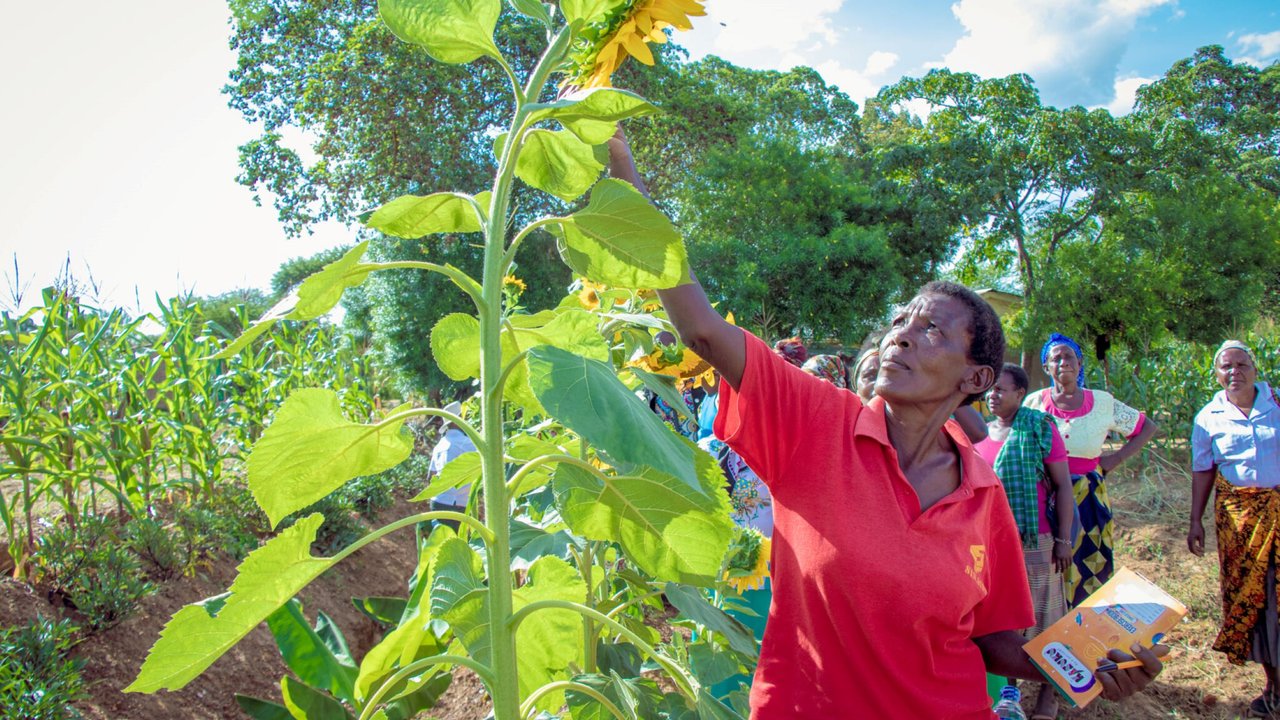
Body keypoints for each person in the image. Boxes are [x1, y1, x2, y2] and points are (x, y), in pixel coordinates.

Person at [606, 128, 1163, 718]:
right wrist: (624, 164)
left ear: (975, 380)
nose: (900, 333)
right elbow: (701, 328)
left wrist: (1089, 661)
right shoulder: (817, 421)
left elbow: (993, 639)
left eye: (931, 331)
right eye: (901, 320)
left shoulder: (983, 495)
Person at [1024, 333, 1158, 606]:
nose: (1063, 362)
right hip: (1044, 496)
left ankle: (1086, 629)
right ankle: (1050, 627)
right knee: (1049, 564)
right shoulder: (1035, 403)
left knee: (1089, 561)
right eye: (1055, 358)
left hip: (1088, 498)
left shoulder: (1102, 402)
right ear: (1047, 367)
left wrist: (1113, 460)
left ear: (1080, 362)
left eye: (1069, 356)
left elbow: (1147, 427)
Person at [976, 363, 1075, 720]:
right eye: (991, 390)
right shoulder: (978, 433)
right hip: (989, 543)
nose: (994, 395)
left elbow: (1063, 486)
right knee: (1001, 618)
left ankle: (1051, 692)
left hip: (1036, 540)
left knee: (1044, 615)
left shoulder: (1039, 427)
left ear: (1021, 393)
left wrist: (1063, 540)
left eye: (1002, 389)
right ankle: (1009, 692)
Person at [1188, 340, 1280, 718]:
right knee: (1253, 601)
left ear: (1255, 369)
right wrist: (1195, 520)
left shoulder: (1277, 405)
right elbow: (1203, 470)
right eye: (1226, 367)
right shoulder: (1208, 417)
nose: (1234, 372)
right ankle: (1273, 685)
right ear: (1217, 374)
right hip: (1238, 524)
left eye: (1241, 365)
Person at [426, 401, 476, 530]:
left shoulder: (440, 445)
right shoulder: (467, 443)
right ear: (457, 420)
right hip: (456, 503)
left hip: (437, 501)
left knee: (440, 540)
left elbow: (430, 476)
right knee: (458, 543)